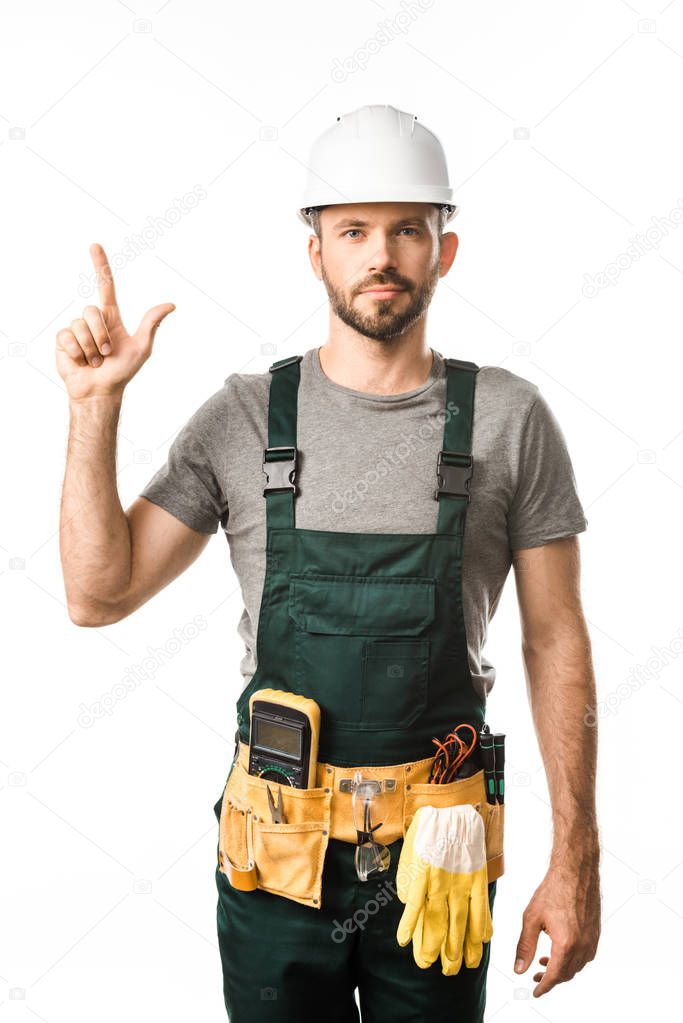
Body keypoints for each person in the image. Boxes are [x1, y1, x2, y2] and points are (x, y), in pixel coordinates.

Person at [57, 104, 601, 1022]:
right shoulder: (241, 418)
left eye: (406, 230)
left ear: (444, 250)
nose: (378, 255)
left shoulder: (509, 419)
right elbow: (96, 595)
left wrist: (574, 859)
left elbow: (556, 638)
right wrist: (92, 407)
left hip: (441, 851)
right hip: (276, 852)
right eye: (352, 230)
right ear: (315, 252)